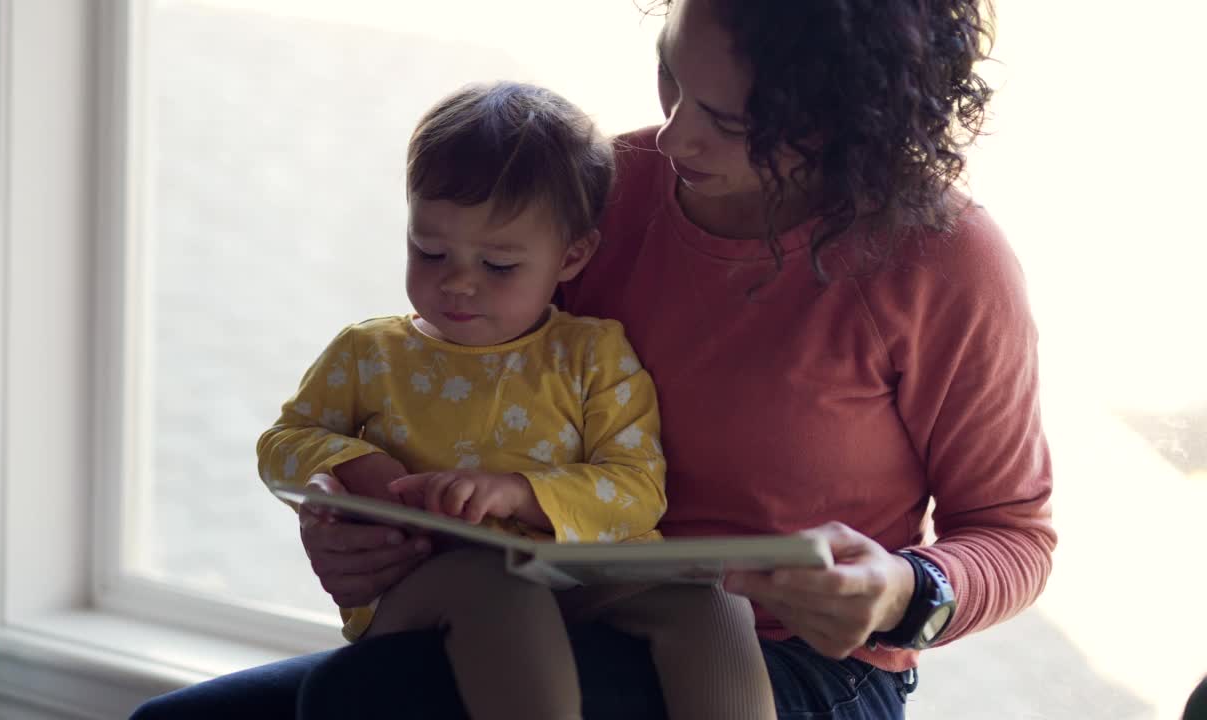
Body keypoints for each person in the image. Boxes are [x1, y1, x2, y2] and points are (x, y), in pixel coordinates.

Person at [132, 0, 1056, 718]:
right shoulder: (605, 191)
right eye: (671, 81)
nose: (679, 135)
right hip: (551, 596)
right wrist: (354, 527)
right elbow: (474, 391)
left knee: (370, 702)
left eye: (733, 122)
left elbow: (1015, 533)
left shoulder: (940, 261)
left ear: (855, 120)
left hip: (799, 666)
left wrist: (903, 592)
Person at [255, 80, 777, 720]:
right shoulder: (370, 353)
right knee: (497, 586)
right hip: (430, 592)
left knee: (714, 605)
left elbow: (638, 488)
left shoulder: (593, 354)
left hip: (579, 583)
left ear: (573, 255)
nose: (457, 282)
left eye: (499, 265)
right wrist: (349, 463)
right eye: (430, 250)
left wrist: (519, 493)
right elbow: (281, 444)